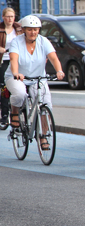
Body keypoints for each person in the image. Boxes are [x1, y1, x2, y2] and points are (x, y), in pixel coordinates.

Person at [5, 15, 64, 149]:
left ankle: (43, 135)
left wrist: (59, 71)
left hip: (38, 78)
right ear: (24, 30)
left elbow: (53, 58)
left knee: (46, 104)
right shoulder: (17, 42)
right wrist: (16, 73)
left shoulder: (44, 41)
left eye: (36, 29)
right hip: (17, 77)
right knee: (20, 94)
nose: (33, 32)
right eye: (30, 29)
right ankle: (14, 112)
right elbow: (13, 59)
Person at [0, 8, 22, 125]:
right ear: (3, 17)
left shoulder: (19, 29)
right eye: (8, 17)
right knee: (4, 87)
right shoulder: (0, 29)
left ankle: (21, 110)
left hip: (16, 60)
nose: (10, 19)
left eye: (12, 17)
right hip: (3, 60)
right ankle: (4, 114)